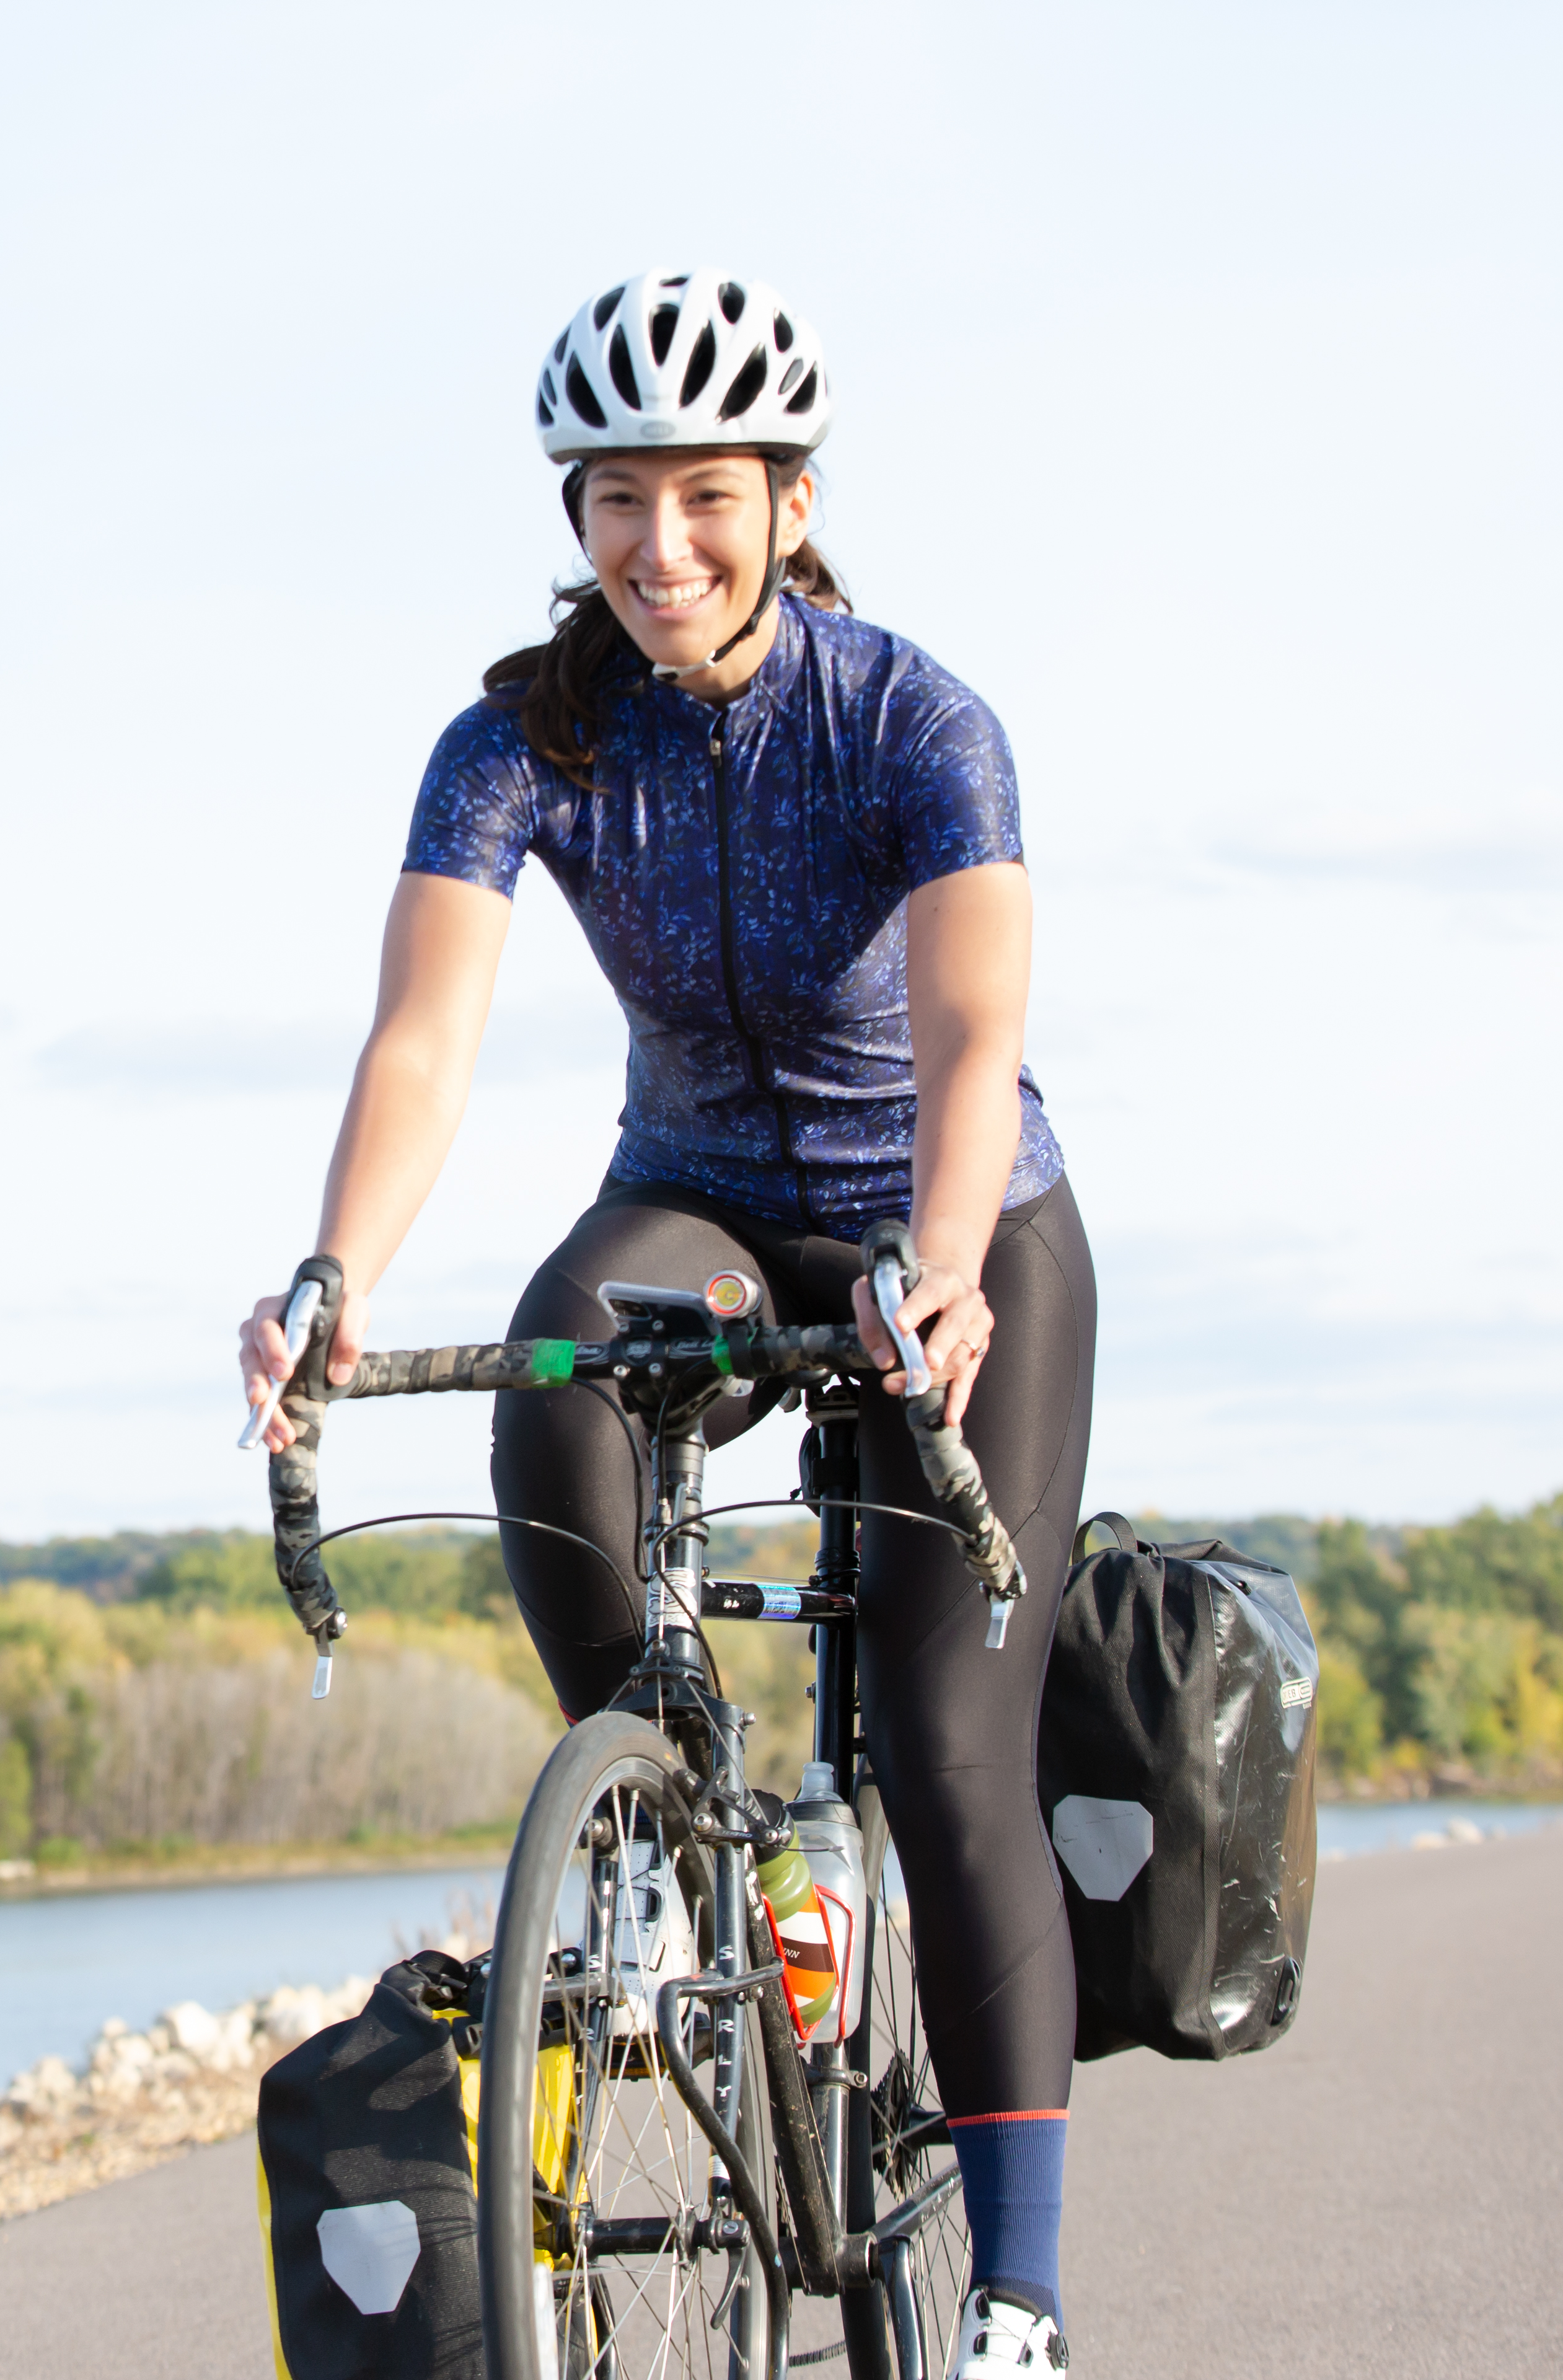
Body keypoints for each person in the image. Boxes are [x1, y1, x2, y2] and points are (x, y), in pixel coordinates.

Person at [235, 269, 1098, 2377]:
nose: (660, 547)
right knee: (555, 1380)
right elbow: (425, 1037)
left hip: (950, 1215)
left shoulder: (914, 718)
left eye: (707, 496)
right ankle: (690, 1812)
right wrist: (332, 1276)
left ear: (792, 503)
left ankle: (1015, 2303)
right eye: (617, 498)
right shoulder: (522, 740)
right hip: (699, 1199)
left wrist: (953, 1257)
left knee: (963, 1753)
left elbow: (981, 1030)